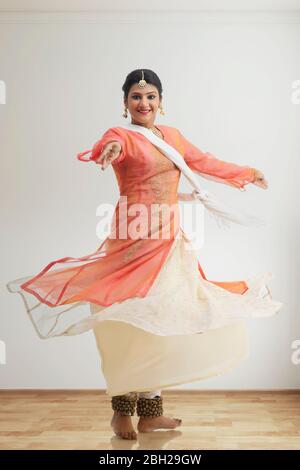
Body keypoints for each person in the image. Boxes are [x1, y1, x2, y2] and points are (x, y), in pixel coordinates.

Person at [7, 69, 283, 441]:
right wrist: (106, 151)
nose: (144, 103)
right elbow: (108, 145)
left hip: (168, 243)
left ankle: (151, 415)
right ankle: (121, 410)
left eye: (151, 96)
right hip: (130, 242)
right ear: (125, 103)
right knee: (126, 322)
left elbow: (204, 162)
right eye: (136, 97)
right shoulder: (120, 135)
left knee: (162, 320)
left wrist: (247, 172)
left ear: (161, 101)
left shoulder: (173, 137)